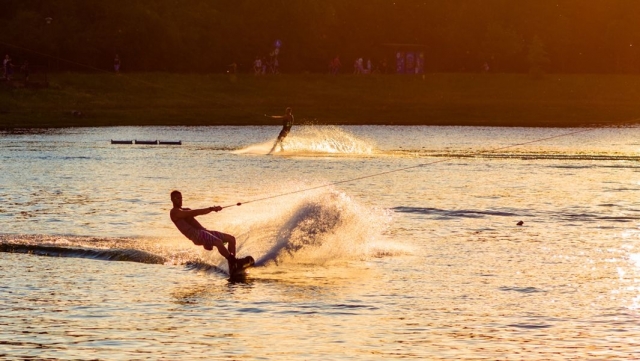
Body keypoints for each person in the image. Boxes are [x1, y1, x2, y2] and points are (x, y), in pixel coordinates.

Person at [169, 190, 252, 274]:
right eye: (177, 198)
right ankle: (233, 261)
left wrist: (206, 236)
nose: (180, 200)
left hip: (202, 232)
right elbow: (195, 212)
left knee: (231, 239)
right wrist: (211, 209)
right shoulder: (174, 212)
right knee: (218, 242)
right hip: (195, 235)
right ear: (172, 199)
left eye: (181, 198)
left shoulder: (185, 210)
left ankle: (232, 266)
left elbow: (197, 224)